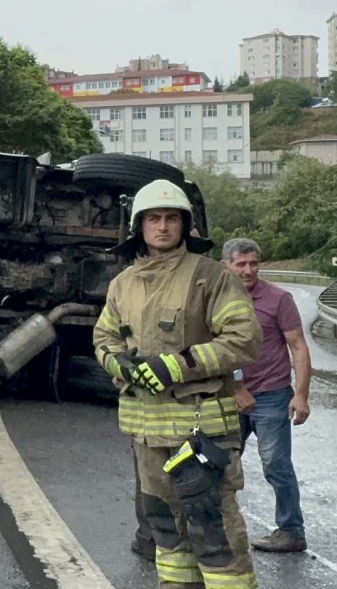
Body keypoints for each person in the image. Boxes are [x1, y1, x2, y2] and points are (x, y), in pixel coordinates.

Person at [94, 179, 262, 588]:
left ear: (185, 225)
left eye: (172, 218)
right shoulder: (123, 283)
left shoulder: (212, 277)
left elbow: (244, 339)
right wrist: (119, 363)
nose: (163, 227)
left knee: (213, 527)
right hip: (148, 433)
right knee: (165, 528)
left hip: (201, 430)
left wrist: (177, 365)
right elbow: (104, 338)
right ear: (140, 226)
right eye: (154, 218)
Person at [222, 237, 311, 553]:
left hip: (272, 395)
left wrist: (301, 395)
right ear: (227, 266)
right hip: (229, 395)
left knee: (276, 464)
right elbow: (217, 348)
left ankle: (291, 531)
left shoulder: (278, 299)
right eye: (241, 264)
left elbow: (298, 345)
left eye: (253, 263)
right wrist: (235, 388)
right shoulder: (216, 300)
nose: (248, 270)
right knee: (219, 463)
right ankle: (216, 528)